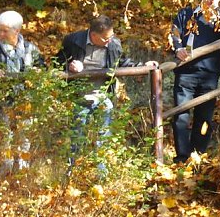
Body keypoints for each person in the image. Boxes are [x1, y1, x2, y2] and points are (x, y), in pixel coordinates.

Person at [56, 15, 157, 172]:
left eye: (111, 37)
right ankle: (71, 172)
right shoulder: (73, 41)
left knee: (103, 137)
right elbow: (57, 62)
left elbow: (121, 62)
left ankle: (102, 174)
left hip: (102, 95)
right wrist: (69, 66)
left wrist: (142, 65)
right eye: (105, 38)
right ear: (94, 35)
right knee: (76, 136)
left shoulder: (113, 43)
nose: (109, 41)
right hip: (78, 96)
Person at [169, 0, 220, 163]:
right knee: (180, 116)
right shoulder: (187, 13)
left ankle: (198, 155)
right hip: (186, 72)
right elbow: (174, 33)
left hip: (209, 74)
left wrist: (216, 14)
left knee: (204, 118)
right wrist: (178, 48)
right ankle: (181, 157)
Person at [0, 11, 45, 173]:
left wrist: (37, 72)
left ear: (17, 31)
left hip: (26, 100)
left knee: (24, 136)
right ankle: (5, 171)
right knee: (5, 136)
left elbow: (42, 68)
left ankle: (22, 171)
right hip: (3, 100)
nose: (1, 34)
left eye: (5, 31)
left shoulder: (30, 49)